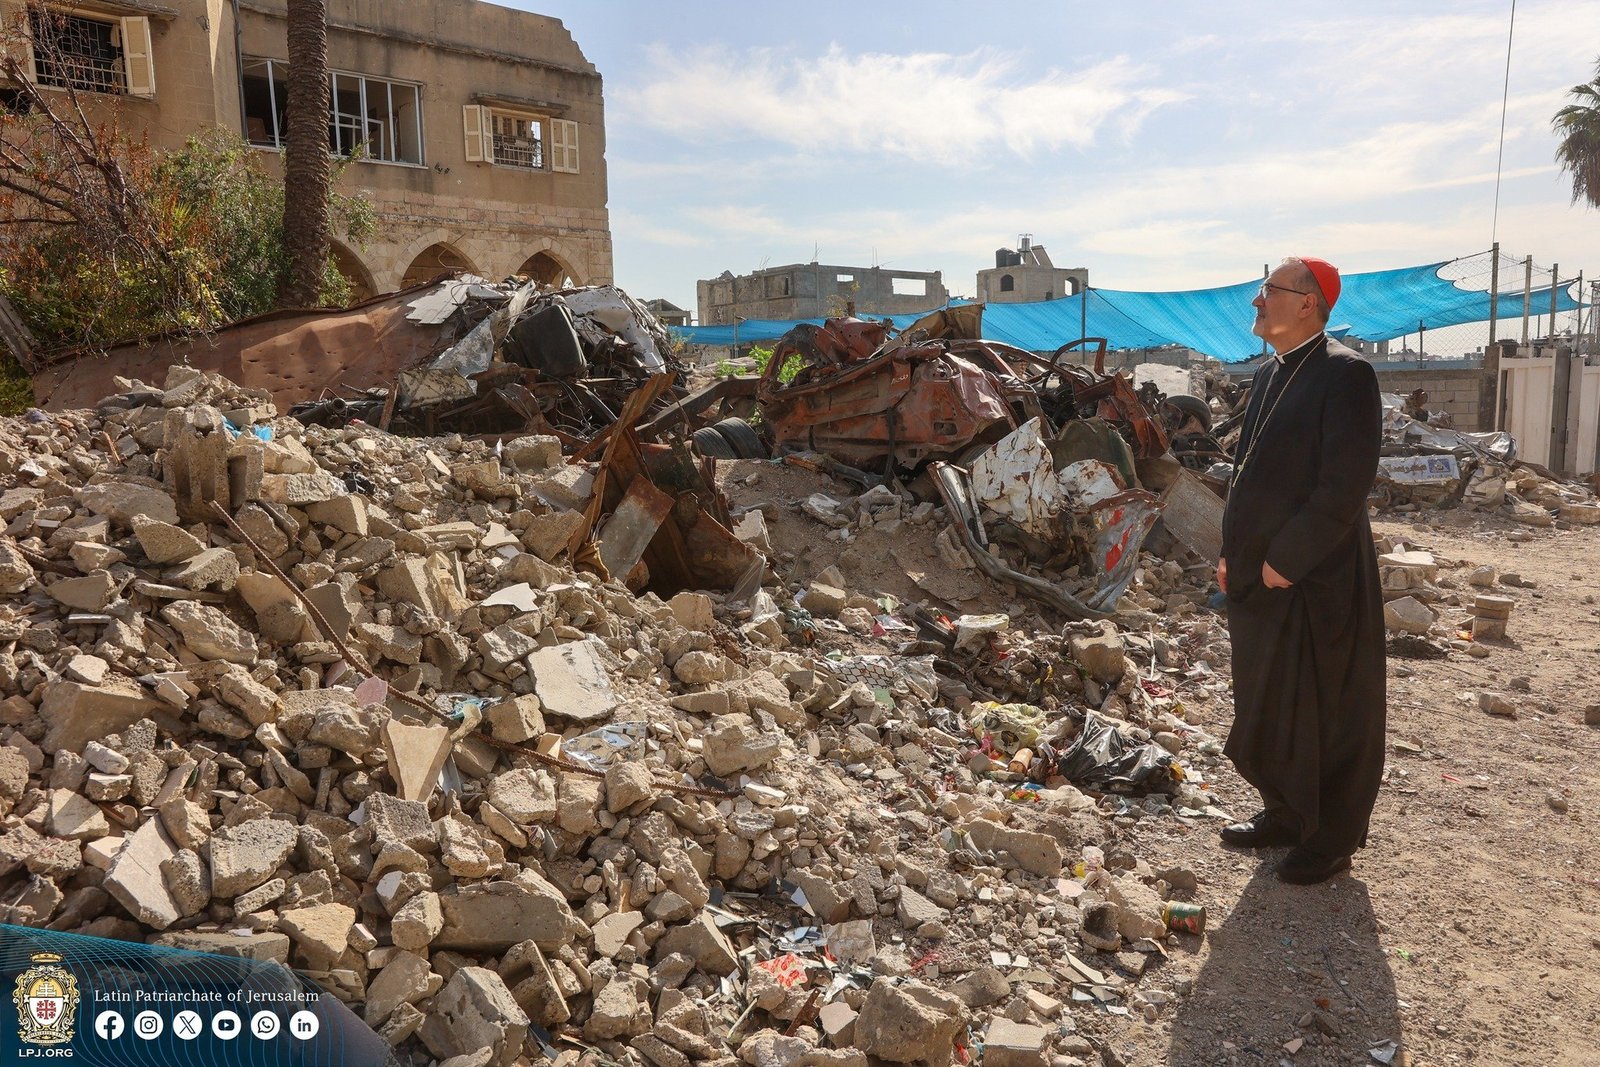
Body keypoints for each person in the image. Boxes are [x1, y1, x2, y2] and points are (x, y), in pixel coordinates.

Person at [1215, 256, 1386, 885]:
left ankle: (1332, 839)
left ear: (1307, 302)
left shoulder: (1347, 373)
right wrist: (1235, 553)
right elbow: (1249, 475)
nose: (1256, 302)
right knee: (1270, 701)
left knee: (1329, 707)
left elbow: (1344, 484)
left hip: (1317, 578)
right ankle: (1285, 812)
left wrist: (1286, 562)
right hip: (1260, 578)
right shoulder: (1269, 375)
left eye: (1268, 291)